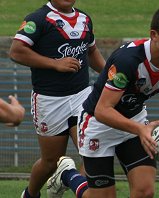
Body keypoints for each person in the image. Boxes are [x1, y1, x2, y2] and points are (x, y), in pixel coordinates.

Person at [46, 3, 159, 198]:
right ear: (154, 34)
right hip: (98, 124)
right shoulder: (128, 60)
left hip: (135, 123)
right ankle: (67, 175)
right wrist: (140, 129)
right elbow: (103, 110)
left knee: (145, 192)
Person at [9, 0, 106, 197]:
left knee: (93, 153)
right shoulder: (38, 19)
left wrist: (109, 77)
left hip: (82, 97)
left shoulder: (85, 19)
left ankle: (71, 180)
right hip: (49, 101)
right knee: (50, 161)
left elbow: (91, 51)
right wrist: (54, 64)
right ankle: (30, 194)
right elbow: (16, 51)